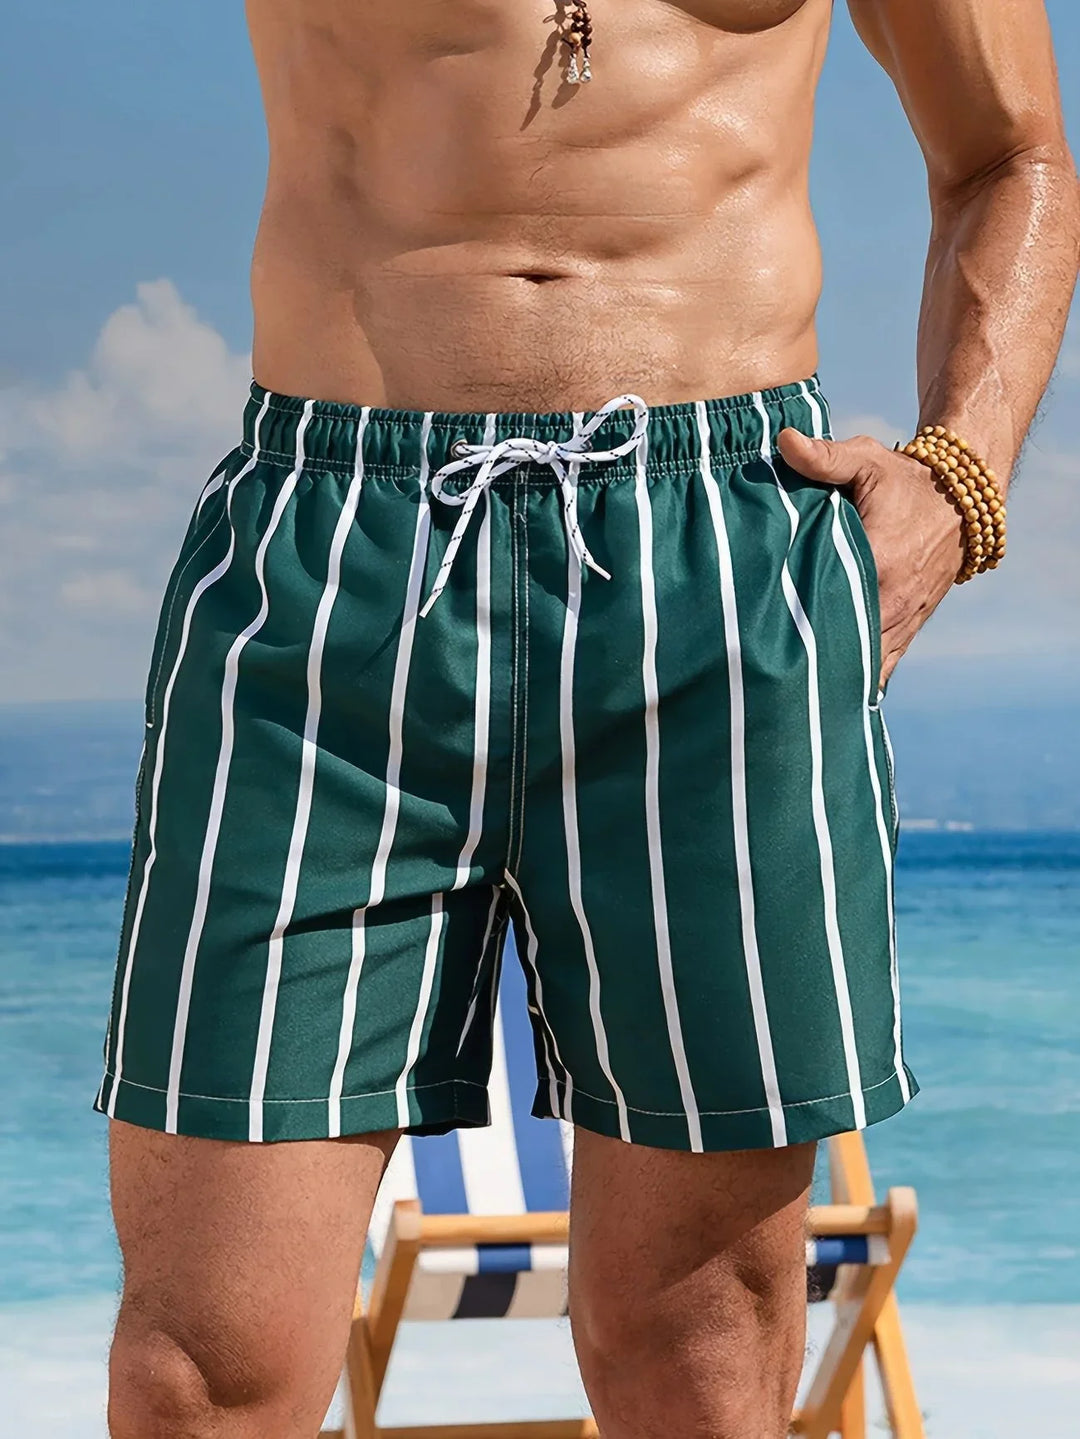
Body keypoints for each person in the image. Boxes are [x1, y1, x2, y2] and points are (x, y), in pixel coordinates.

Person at [98, 2, 1079, 1435]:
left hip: (723, 557)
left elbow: (1010, 150)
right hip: (329, 565)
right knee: (200, 1372)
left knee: (699, 1352)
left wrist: (959, 480)